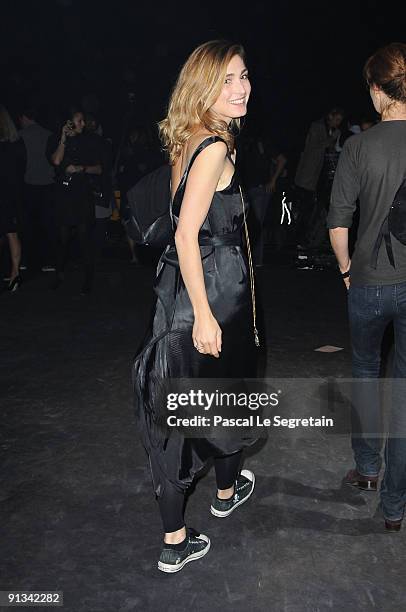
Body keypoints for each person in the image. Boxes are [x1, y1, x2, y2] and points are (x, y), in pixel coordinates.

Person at [133, 40, 259, 573]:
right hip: (211, 295)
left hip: (190, 290)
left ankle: (227, 491)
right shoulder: (212, 149)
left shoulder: (189, 137)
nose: (241, 88)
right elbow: (187, 235)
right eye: (227, 79)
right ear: (203, 86)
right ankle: (174, 540)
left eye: (244, 75)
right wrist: (206, 316)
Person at [328, 42, 406, 532]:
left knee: (363, 371)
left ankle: (369, 467)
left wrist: (346, 271)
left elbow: (338, 221)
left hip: (370, 283)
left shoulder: (359, 146)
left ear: (378, 91)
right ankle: (395, 509)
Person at [47, 108, 109, 294]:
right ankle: (59, 274)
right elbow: (56, 161)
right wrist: (63, 139)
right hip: (63, 195)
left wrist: (80, 168)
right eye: (79, 120)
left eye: (83, 120)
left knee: (84, 237)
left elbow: (99, 169)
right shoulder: (56, 139)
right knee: (62, 237)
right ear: (69, 122)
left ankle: (87, 279)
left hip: (82, 194)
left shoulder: (89, 140)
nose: (83, 124)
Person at [294, 107, 344, 247]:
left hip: (318, 177)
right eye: (337, 119)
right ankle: (298, 240)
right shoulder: (317, 126)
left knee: (313, 211)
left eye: (341, 121)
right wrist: (332, 138)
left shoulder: (330, 130)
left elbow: (330, 150)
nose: (338, 123)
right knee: (305, 210)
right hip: (307, 176)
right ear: (330, 116)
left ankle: (307, 239)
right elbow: (315, 146)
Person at [18, 106, 56, 273]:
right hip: (48, 184)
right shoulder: (48, 134)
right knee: (47, 224)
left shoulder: (21, 136)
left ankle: (26, 260)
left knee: (27, 225)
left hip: (29, 184)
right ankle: (49, 260)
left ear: (24, 117)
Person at [0, 105, 26, 291]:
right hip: (12, 192)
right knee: (11, 233)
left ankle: (15, 273)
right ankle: (15, 273)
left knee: (10, 233)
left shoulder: (10, 145)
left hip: (6, 193)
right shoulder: (16, 144)